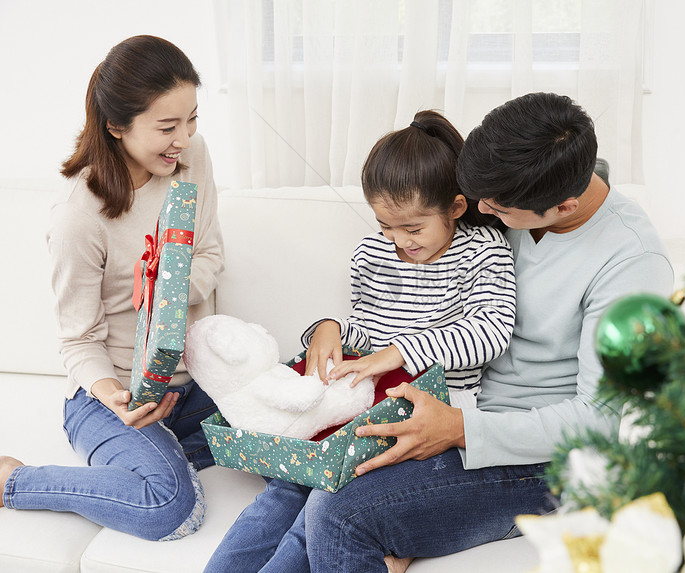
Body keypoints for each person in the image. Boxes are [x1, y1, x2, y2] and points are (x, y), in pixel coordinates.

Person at [204, 110, 517, 573]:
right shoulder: (373, 253)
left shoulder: (484, 250)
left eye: (412, 229)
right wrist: (327, 328)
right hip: (362, 401)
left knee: (319, 508)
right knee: (283, 492)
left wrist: (398, 352)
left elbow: (490, 332)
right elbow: (364, 330)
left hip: (433, 411)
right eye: (385, 225)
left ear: (455, 207)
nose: (398, 241)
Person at [0, 35, 224, 541]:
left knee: (296, 423)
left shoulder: (192, 158)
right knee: (170, 508)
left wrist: (166, 291)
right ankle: (14, 481)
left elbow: (210, 254)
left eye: (192, 119)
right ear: (116, 126)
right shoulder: (79, 217)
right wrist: (118, 399)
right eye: (167, 127)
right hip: (113, 394)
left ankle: (155, 457)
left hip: (193, 387)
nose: (184, 139)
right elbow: (78, 341)